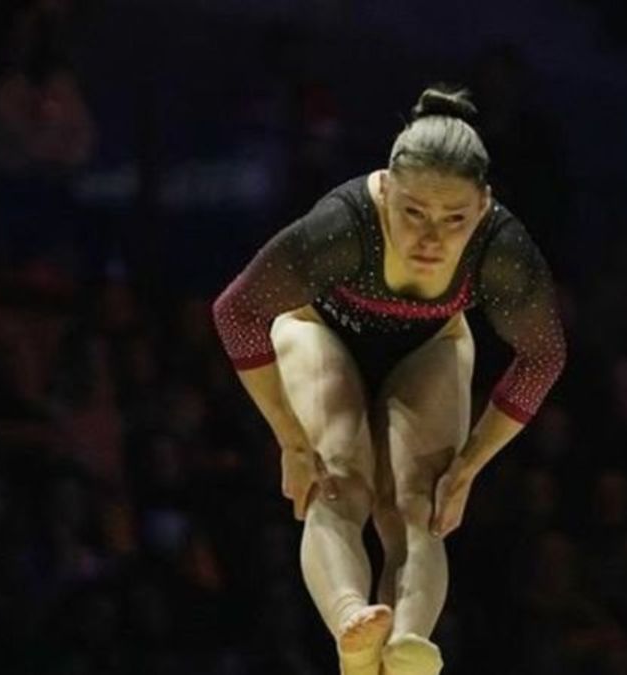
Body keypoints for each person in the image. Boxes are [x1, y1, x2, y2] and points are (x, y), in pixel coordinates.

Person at [212, 85, 566, 675]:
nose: (432, 238)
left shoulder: (502, 248)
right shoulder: (343, 225)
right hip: (321, 331)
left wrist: (471, 465)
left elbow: (544, 357)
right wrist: (291, 442)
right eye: (413, 213)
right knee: (338, 478)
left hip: (429, 343)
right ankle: (353, 622)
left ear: (483, 207)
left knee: (420, 504)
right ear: (387, 192)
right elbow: (236, 313)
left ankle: (405, 645)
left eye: (454, 220)